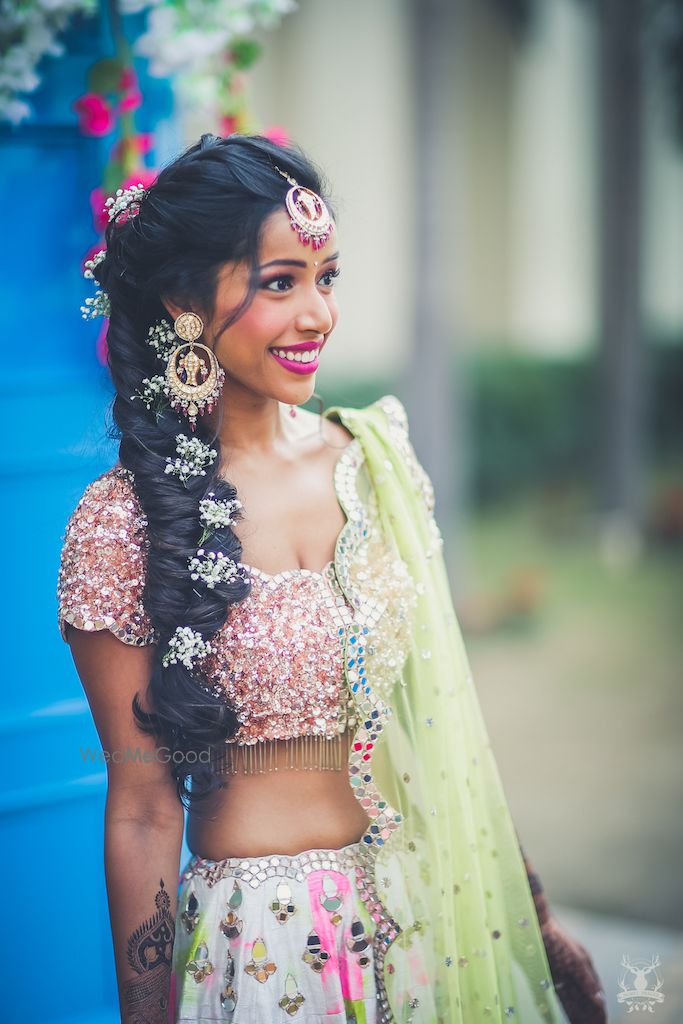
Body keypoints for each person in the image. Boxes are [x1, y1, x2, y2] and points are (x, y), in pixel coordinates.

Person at [57, 133, 607, 1024]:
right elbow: (144, 807)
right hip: (263, 952)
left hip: (420, 920)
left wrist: (530, 914)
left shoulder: (373, 462)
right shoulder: (123, 523)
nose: (318, 314)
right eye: (280, 282)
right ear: (183, 303)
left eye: (327, 277)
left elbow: (443, 723)